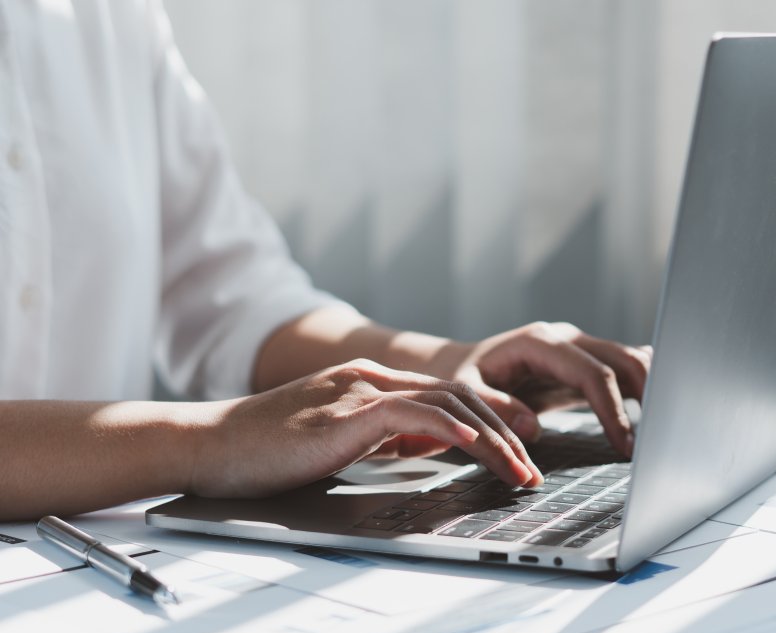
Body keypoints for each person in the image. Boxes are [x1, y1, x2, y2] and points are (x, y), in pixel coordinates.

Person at [0, 1, 650, 521]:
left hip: (87, 570)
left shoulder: (107, 14)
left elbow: (232, 296)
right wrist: (212, 439)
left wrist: (447, 371)